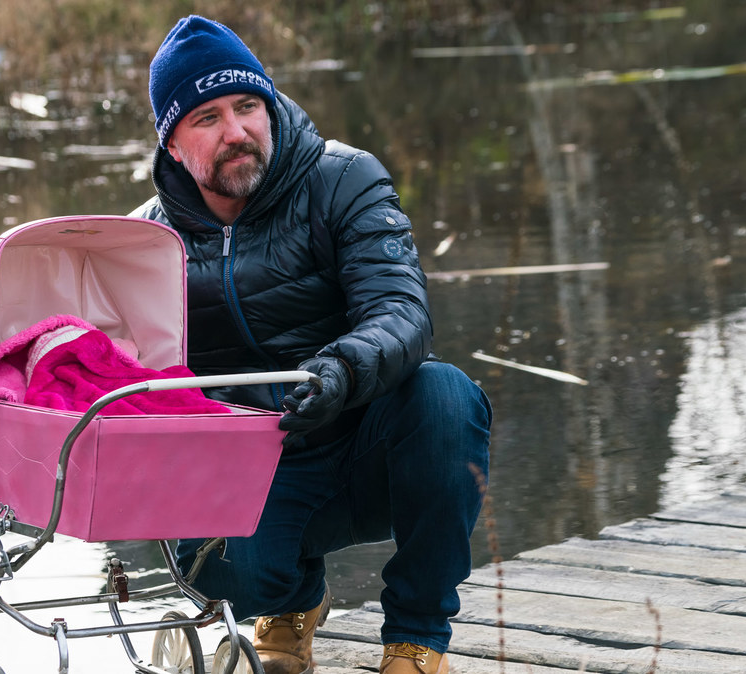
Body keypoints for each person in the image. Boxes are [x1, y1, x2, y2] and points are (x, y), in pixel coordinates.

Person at [130, 16, 492, 674]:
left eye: (248, 106)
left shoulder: (345, 180)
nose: (237, 130)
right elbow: (125, 378)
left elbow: (401, 311)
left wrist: (340, 372)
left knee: (445, 397)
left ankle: (414, 640)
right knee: (222, 572)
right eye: (207, 117)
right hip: (254, 471)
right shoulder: (143, 244)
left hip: (362, 443)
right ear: (173, 145)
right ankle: (291, 605)